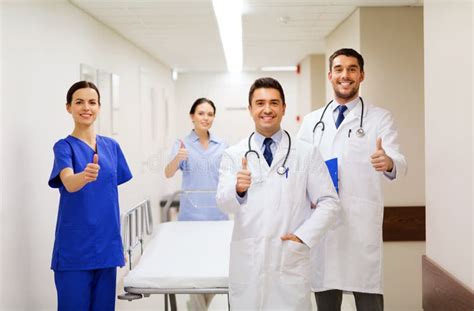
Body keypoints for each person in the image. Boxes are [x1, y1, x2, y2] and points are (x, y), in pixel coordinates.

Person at [216, 77, 341, 310]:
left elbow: (330, 203)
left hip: (289, 258)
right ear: (250, 109)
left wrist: (303, 236)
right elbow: (223, 204)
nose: (267, 109)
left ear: (283, 108)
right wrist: (238, 189)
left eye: (274, 103)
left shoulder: (305, 152)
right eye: (260, 103)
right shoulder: (233, 154)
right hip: (249, 259)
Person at [297, 48, 407, 311]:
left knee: (368, 300)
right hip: (323, 224)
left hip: (360, 225)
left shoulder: (379, 118)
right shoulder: (313, 121)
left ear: (362, 75)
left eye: (351, 69)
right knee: (325, 300)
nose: (345, 75)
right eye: (339, 69)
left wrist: (388, 162)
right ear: (330, 75)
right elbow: (297, 167)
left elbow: (398, 159)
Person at [48, 81, 132, 310]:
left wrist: (116, 245)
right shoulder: (64, 147)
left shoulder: (111, 147)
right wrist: (84, 175)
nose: (87, 107)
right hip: (75, 250)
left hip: (106, 247)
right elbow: (68, 182)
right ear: (68, 107)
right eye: (79, 102)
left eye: (92, 102)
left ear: (99, 107)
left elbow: (107, 198)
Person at [164, 97, 228, 310]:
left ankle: (199, 305)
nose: (206, 118)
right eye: (201, 113)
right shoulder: (182, 144)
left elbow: (229, 174)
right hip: (191, 218)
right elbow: (168, 172)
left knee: (215, 269)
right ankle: (197, 305)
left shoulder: (222, 145)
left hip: (218, 217)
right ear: (192, 116)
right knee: (195, 268)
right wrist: (178, 158)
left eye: (210, 114)